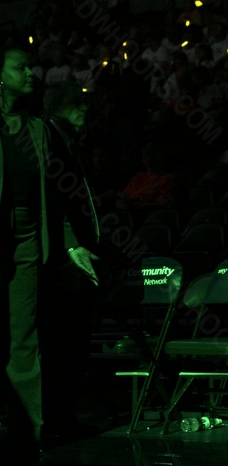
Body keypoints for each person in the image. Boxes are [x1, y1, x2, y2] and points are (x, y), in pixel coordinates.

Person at [0, 46, 98, 463]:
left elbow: (53, 198)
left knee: (24, 337)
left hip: (26, 240)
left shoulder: (37, 129)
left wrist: (72, 242)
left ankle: (28, 430)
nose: (31, 74)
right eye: (21, 67)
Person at [40, 80, 101, 444]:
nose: (84, 108)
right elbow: (52, 200)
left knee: (72, 343)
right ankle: (54, 420)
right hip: (65, 260)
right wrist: (70, 245)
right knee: (62, 343)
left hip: (76, 254)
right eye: (76, 102)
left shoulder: (66, 140)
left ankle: (63, 417)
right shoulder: (49, 137)